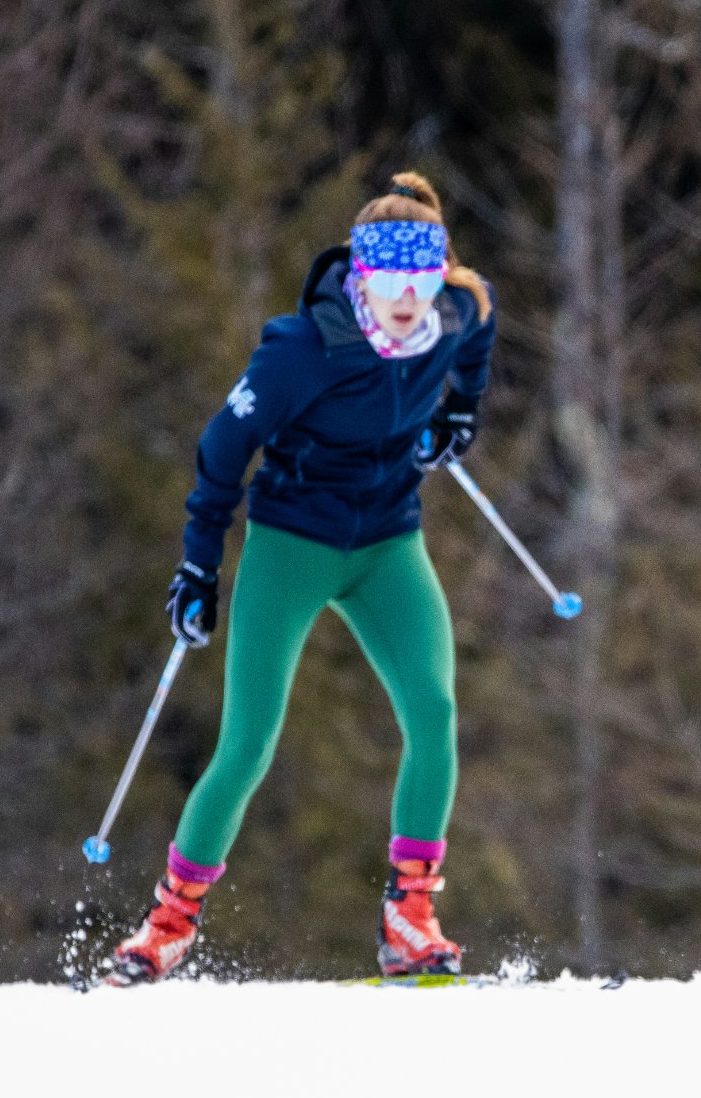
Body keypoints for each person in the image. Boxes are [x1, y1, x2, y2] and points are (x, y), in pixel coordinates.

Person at [108, 172, 496, 985]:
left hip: (388, 543)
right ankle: (168, 924)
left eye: (420, 283)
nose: (405, 300)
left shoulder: (452, 315)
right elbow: (222, 450)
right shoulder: (303, 347)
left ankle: (410, 916)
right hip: (293, 542)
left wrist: (461, 412)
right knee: (249, 741)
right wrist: (198, 565)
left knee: (434, 711)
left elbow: (479, 320)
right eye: (388, 282)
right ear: (360, 276)